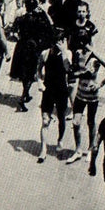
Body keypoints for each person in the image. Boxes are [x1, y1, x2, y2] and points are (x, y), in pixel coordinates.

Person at [67, 43, 105, 163]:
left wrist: (100, 84)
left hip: (92, 96)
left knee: (91, 122)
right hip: (79, 94)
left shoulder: (95, 56)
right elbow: (73, 70)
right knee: (75, 122)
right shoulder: (78, 53)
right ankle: (78, 150)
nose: (81, 46)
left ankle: (90, 149)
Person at [36, 30, 73, 163]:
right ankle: (43, 149)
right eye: (56, 42)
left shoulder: (67, 54)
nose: (58, 44)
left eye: (61, 41)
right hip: (48, 90)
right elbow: (38, 70)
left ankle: (60, 140)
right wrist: (40, 82)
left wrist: (64, 52)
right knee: (45, 120)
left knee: (61, 117)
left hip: (62, 90)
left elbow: (69, 69)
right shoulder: (45, 53)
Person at [10, 0, 48, 111]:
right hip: (33, 47)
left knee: (24, 73)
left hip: (21, 46)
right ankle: (22, 97)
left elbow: (13, 32)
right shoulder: (39, 19)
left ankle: (25, 95)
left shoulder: (21, 19)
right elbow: (48, 29)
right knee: (31, 73)